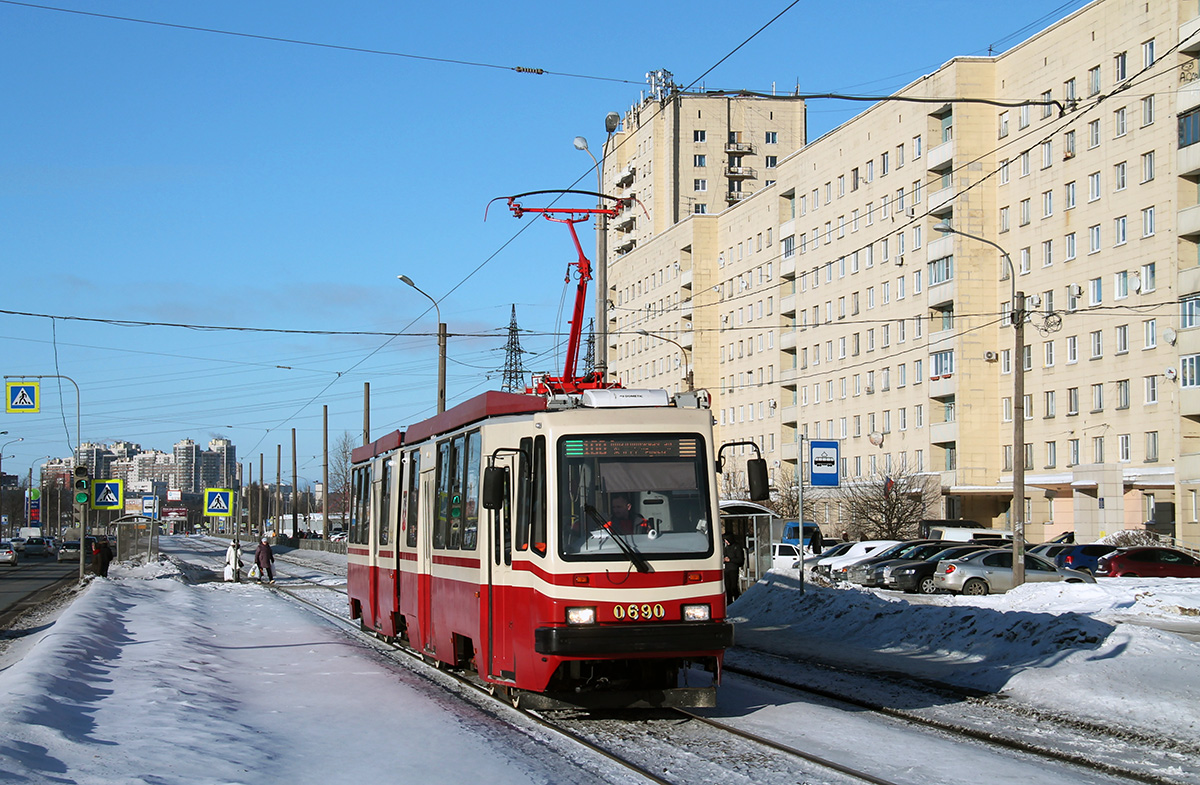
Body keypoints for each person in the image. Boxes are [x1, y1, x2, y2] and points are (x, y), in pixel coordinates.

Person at [723, 535, 745, 605]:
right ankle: (729, 602)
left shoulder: (737, 547)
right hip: (727, 569)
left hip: (734, 569)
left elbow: (740, 560)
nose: (726, 542)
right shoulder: (726, 548)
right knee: (727, 587)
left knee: (733, 586)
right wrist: (724, 560)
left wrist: (730, 560)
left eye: (726, 540)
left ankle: (737, 600)